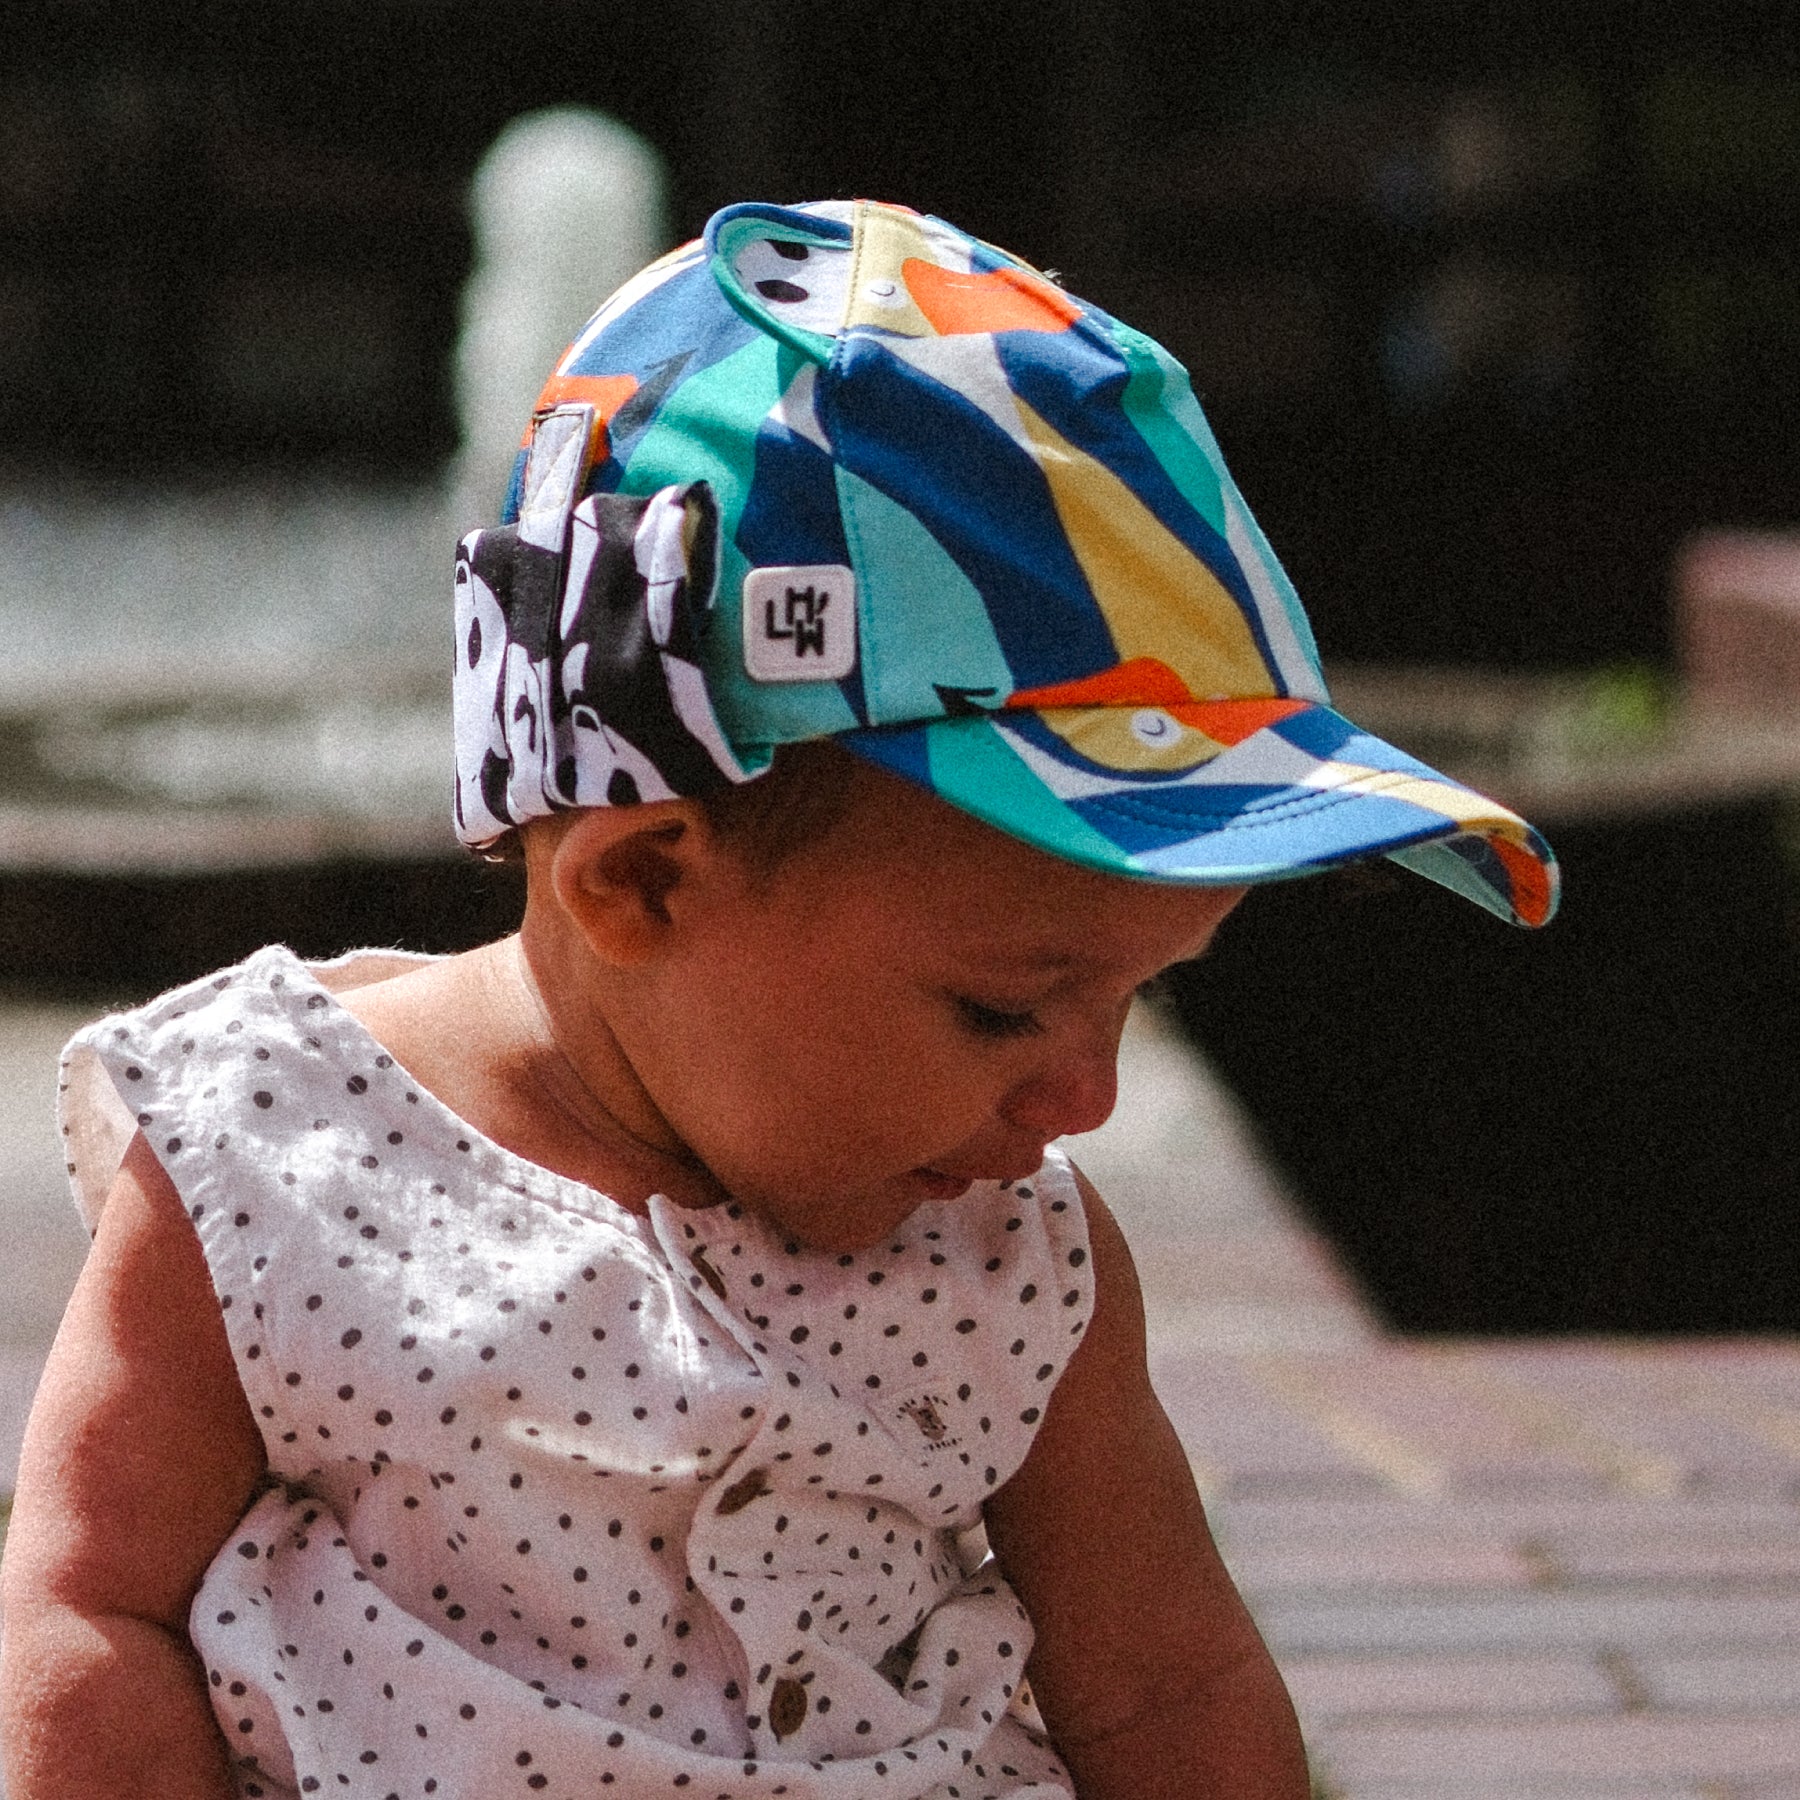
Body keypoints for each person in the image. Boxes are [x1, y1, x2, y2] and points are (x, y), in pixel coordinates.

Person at [0, 199, 1558, 1800]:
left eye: (1137, 997)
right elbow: (94, 1608)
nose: (1084, 1100)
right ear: (645, 882)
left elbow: (1164, 1680)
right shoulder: (272, 1160)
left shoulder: (1013, 1264)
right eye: (1003, 1011)